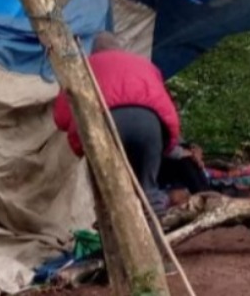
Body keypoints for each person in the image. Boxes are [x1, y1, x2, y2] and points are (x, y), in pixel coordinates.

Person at [53, 31, 183, 213]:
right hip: (149, 125)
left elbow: (61, 117)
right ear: (120, 48)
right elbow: (167, 107)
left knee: (109, 190)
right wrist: (170, 144)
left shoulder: (82, 68)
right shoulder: (144, 65)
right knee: (147, 187)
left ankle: (112, 231)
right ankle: (158, 228)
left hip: (105, 125)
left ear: (94, 51)